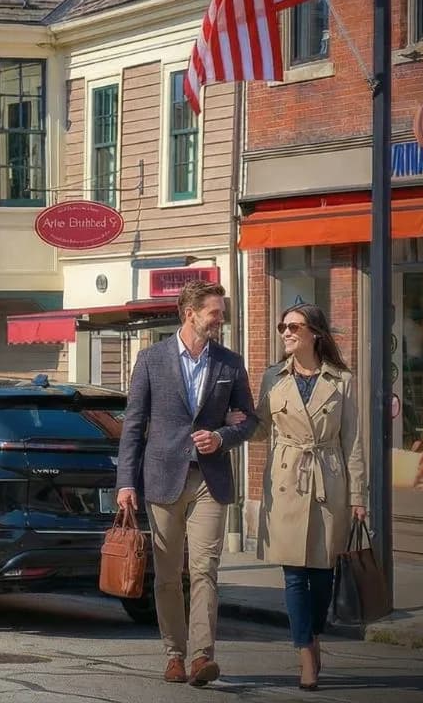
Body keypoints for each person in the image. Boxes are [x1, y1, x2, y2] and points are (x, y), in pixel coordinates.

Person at [115, 280, 258, 686]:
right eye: (215, 312)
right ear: (189, 313)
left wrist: (222, 437)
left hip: (209, 480)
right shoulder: (150, 360)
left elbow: (249, 419)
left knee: (204, 569)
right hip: (161, 478)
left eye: (221, 311)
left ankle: (201, 657)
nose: (221, 318)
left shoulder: (229, 363)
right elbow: (134, 427)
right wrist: (126, 481)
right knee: (165, 575)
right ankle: (174, 653)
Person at [251, 304, 367, 691]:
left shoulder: (341, 380)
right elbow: (259, 430)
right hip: (285, 481)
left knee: (323, 574)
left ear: (315, 333)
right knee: (294, 575)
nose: (286, 332)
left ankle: (314, 632)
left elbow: (352, 442)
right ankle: (305, 652)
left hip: (327, 480)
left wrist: (357, 495)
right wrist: (226, 424)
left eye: (294, 327)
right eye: (283, 325)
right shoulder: (272, 377)